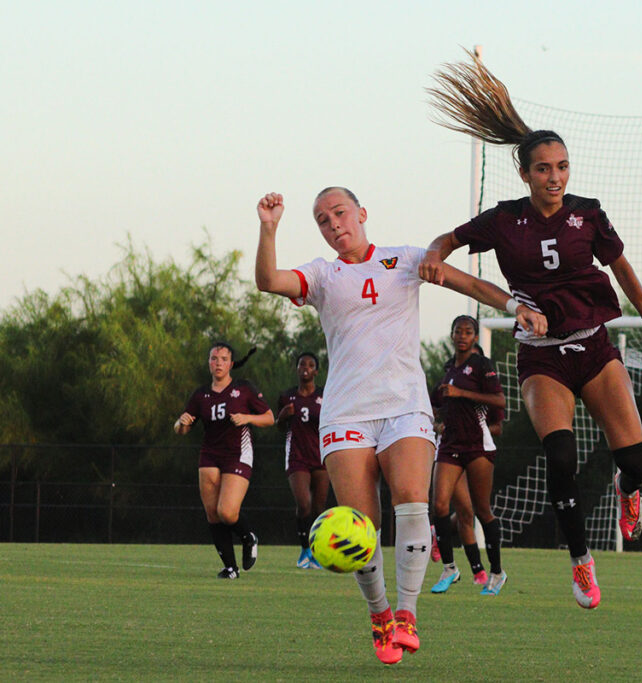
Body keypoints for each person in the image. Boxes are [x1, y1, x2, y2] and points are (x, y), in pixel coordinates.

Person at [420, 52, 642, 609]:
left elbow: (622, 268)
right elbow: (448, 241)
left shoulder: (589, 212)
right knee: (561, 457)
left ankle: (625, 491)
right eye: (544, 168)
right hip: (542, 358)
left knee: (636, 464)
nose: (555, 176)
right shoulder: (504, 220)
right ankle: (582, 565)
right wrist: (435, 257)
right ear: (525, 173)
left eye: (562, 166)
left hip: (594, 348)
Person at [254, 187, 546, 665]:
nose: (334, 225)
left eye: (340, 213)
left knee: (412, 500)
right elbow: (268, 280)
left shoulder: (405, 259)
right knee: (362, 527)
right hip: (347, 412)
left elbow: (468, 285)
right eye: (323, 220)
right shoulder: (322, 275)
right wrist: (269, 229)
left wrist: (516, 307)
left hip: (404, 406)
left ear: (362, 213)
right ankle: (379, 614)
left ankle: (406, 615)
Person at [174, 343, 274, 579]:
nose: (218, 362)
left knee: (227, 512)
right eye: (214, 358)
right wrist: (181, 422)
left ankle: (249, 536)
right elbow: (182, 429)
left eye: (223, 358)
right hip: (209, 454)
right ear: (209, 362)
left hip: (237, 453)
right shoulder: (201, 395)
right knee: (213, 514)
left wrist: (246, 417)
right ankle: (230, 568)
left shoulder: (244, 388)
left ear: (231, 364)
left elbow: (269, 418)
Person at [429, 315, 507, 596]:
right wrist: (436, 417)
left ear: (474, 337)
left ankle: (496, 573)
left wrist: (461, 393)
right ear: (451, 335)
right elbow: (437, 401)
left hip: (477, 445)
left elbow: (499, 401)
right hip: (450, 444)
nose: (462, 336)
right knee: (439, 505)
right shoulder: (449, 369)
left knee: (482, 510)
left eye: (468, 332)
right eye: (458, 331)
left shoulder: (481, 366)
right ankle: (450, 568)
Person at [276, 351, 329, 569]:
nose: (305, 367)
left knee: (318, 508)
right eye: (301, 364)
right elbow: (279, 426)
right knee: (303, 504)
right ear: (297, 369)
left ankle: (316, 551)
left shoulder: (326, 395)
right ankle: (304, 549)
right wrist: (283, 416)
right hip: (297, 456)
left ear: (316, 371)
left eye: (310, 364)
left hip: (321, 457)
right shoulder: (287, 397)